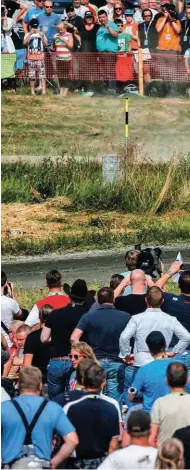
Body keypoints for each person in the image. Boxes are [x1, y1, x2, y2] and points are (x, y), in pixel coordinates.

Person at [119, 286, 190, 403]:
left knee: (136, 396)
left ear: (146, 300)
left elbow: (124, 337)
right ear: (162, 301)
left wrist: (126, 354)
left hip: (140, 361)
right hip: (162, 360)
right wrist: (175, 351)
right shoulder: (170, 319)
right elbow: (186, 337)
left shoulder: (137, 318)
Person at [1, 366, 78, 469]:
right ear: (40, 385)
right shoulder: (53, 408)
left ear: (18, 384)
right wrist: (54, 462)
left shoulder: (4, 408)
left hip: (11, 465)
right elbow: (72, 440)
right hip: (41, 465)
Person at [71, 286, 130, 405]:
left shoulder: (88, 316)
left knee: (94, 397)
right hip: (117, 361)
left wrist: (84, 353)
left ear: (98, 300)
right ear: (113, 299)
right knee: (114, 401)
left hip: (95, 361)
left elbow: (74, 337)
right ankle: (115, 420)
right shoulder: (125, 316)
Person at [64, 364, 121, 469]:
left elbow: (65, 440)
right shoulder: (111, 407)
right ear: (103, 383)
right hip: (102, 462)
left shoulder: (71, 407)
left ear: (83, 381)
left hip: (77, 463)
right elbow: (114, 445)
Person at [41, 279, 89, 398]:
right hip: (75, 361)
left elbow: (43, 338)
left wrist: (57, 338)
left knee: (55, 400)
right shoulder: (85, 316)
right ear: (84, 299)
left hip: (56, 360)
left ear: (70, 296)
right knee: (73, 397)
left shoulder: (55, 313)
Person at [129, 331, 175, 413]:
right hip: (175, 416)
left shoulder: (143, 370)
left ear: (149, 349)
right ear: (165, 345)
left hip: (151, 416)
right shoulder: (180, 366)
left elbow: (131, 397)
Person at [150, 362, 190, 446]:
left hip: (166, 454)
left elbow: (151, 437)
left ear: (166, 380)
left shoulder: (160, 403)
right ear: (187, 380)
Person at [23, 304, 52, 383]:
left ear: (40, 318)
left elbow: (26, 366)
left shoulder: (32, 337)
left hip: (38, 378)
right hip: (57, 376)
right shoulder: (60, 335)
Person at [24, 17, 47, 97]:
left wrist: (43, 36)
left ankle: (44, 91)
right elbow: (24, 43)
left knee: (42, 75)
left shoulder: (40, 33)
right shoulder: (27, 34)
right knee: (32, 76)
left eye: (36, 27)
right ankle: (32, 92)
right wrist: (30, 33)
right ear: (30, 26)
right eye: (33, 27)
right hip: (31, 58)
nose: (34, 28)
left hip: (40, 57)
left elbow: (46, 44)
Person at [51, 22, 73, 98]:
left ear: (65, 28)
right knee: (60, 76)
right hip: (58, 58)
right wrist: (54, 41)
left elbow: (71, 46)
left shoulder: (69, 35)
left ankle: (65, 93)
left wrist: (63, 39)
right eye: (59, 30)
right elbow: (53, 48)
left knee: (66, 76)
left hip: (67, 59)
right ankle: (60, 92)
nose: (60, 31)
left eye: (62, 30)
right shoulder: (56, 35)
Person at [1, 271, 21, 347]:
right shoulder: (10, 302)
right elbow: (19, 314)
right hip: (8, 344)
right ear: (6, 283)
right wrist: (12, 293)